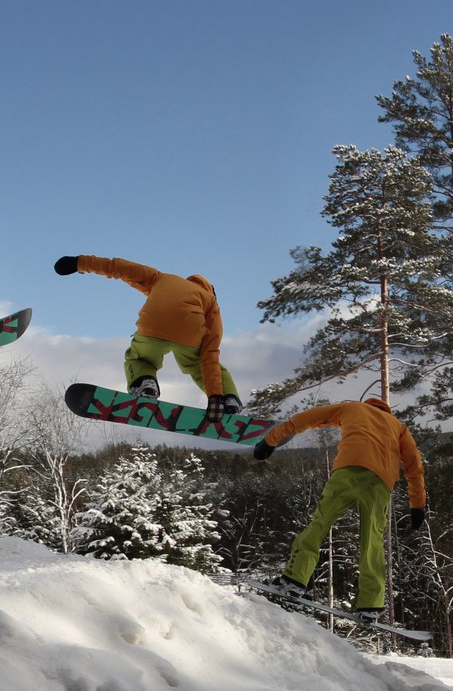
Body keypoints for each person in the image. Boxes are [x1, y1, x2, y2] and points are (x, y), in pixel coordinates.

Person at [251, 398, 426, 621]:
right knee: (372, 539)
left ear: (368, 404)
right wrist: (418, 505)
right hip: (380, 482)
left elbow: (308, 418)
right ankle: (370, 605)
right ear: (386, 410)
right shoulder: (399, 427)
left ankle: (294, 580)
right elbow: (414, 466)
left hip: (348, 470)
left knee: (320, 523)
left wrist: (270, 440)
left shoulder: (351, 408)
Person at [53, 255, 240, 418]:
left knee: (140, 358)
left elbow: (121, 268)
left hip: (153, 325)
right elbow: (210, 353)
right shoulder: (210, 303)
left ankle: (144, 383)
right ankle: (228, 399)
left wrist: (79, 263)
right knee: (198, 364)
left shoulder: (161, 278)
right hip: (190, 333)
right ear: (211, 292)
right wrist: (215, 396)